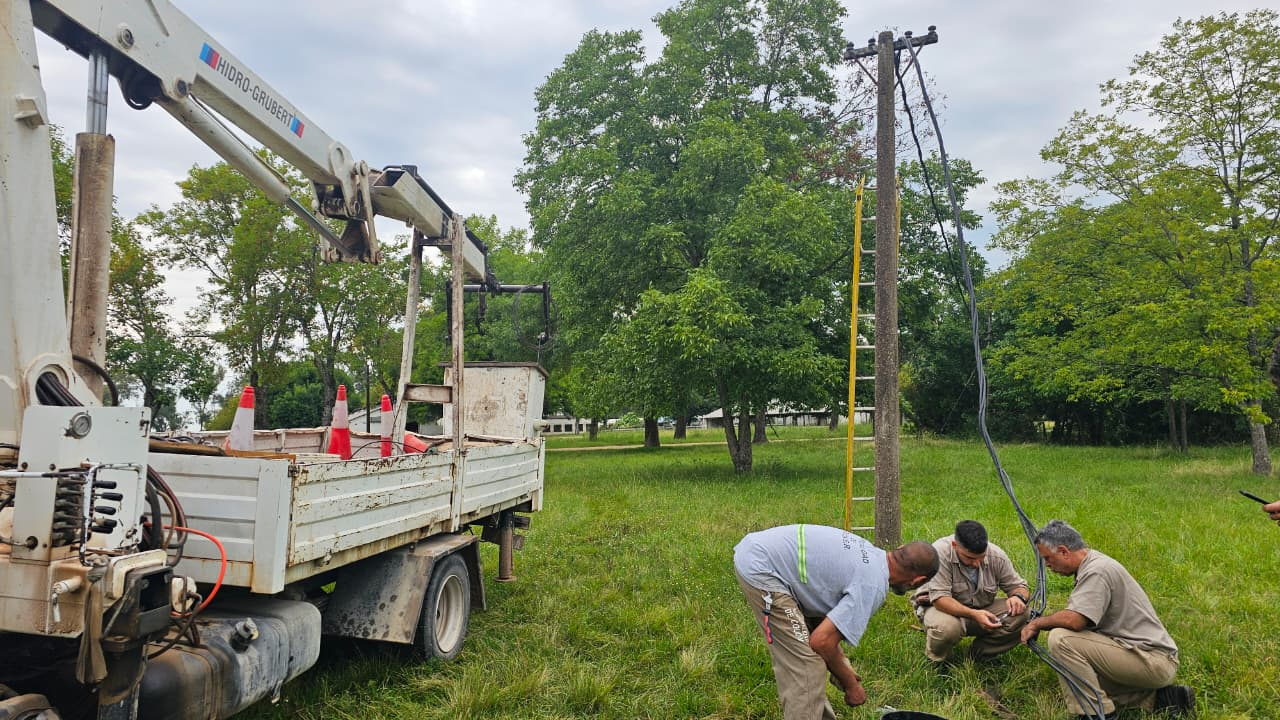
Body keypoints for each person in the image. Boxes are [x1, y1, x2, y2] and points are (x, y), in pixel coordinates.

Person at [733, 524, 939, 719]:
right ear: (917, 581)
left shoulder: (872, 555)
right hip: (763, 570)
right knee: (806, 665)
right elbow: (821, 642)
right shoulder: (871, 585)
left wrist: (840, 666)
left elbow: (823, 617)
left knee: (811, 659)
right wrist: (851, 686)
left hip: (762, 552)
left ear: (899, 548)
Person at [1020, 520, 1194, 719]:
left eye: (1048, 558)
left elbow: (1075, 621)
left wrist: (1037, 623)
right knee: (1077, 679)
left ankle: (1096, 714)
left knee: (1061, 639)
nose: (1047, 565)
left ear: (1063, 551)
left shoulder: (1097, 571)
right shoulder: (1093, 563)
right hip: (1144, 656)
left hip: (1153, 660)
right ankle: (1161, 699)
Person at [912, 520, 1030, 664]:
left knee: (1023, 614)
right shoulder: (939, 553)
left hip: (980, 609)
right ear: (955, 545)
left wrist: (1018, 597)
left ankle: (977, 656)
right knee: (947, 628)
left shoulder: (996, 554)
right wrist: (974, 615)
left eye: (982, 557)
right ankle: (936, 661)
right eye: (970, 558)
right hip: (940, 609)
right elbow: (940, 600)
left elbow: (1019, 586)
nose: (976, 563)